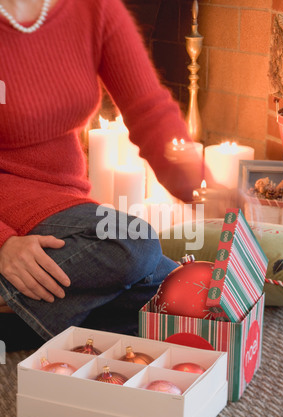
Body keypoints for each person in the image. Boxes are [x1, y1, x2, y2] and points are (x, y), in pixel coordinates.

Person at [0, 0, 209, 350]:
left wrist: (201, 185)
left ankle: (19, 319)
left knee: (182, 295)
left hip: (63, 201)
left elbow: (148, 107)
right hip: (8, 202)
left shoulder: (93, 10)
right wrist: (3, 243)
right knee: (134, 242)